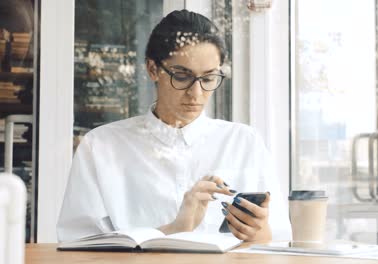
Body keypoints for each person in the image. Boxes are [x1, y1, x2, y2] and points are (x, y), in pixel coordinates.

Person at [57, 9, 291, 242]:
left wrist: (258, 233)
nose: (196, 93)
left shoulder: (244, 142)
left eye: (208, 78)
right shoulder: (101, 146)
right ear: (152, 69)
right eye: (181, 76)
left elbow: (279, 241)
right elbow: (77, 247)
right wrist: (172, 230)